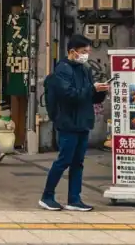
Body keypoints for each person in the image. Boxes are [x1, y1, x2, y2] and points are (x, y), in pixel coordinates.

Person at [40, 35, 108, 212]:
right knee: (64, 160)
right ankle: (47, 196)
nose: (86, 55)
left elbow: (88, 94)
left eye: (88, 52)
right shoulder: (62, 70)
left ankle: (74, 199)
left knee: (78, 162)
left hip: (82, 121)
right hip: (68, 121)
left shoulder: (84, 69)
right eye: (84, 52)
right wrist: (92, 89)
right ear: (73, 52)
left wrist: (100, 91)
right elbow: (69, 95)